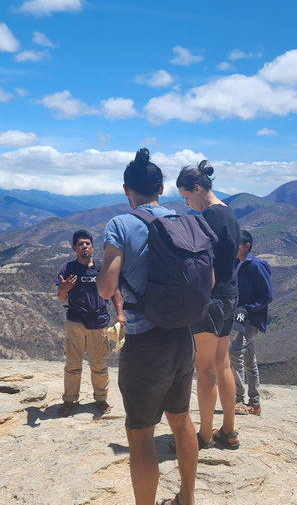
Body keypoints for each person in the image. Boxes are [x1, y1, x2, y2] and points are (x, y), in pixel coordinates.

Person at [97, 148, 198, 505]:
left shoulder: (121, 225)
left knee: (140, 434)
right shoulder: (186, 221)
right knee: (182, 421)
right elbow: (210, 278)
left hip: (144, 344)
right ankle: (186, 499)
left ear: (127, 190)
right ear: (161, 187)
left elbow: (107, 288)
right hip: (184, 339)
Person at [176, 160, 241, 450]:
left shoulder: (210, 217)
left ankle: (203, 435)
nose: (188, 204)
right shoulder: (229, 213)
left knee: (203, 369)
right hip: (230, 296)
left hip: (211, 300)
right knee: (222, 363)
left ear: (198, 189)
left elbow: (203, 263)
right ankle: (228, 430)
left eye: (187, 197)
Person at [56, 229, 124, 417]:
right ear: (73, 248)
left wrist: (120, 314)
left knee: (99, 364)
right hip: (75, 321)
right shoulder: (67, 269)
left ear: (93, 247)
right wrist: (64, 289)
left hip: (99, 321)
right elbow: (62, 298)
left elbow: (114, 291)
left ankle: (101, 400)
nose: (84, 247)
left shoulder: (102, 268)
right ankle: (69, 401)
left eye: (87, 243)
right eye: (80, 244)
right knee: (72, 363)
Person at [229, 229, 272, 416]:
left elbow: (267, 295)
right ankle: (254, 403)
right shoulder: (238, 264)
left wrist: (248, 308)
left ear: (246, 246)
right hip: (240, 316)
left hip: (251, 318)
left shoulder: (255, 265)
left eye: (237, 244)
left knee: (234, 353)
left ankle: (239, 399)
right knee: (248, 359)